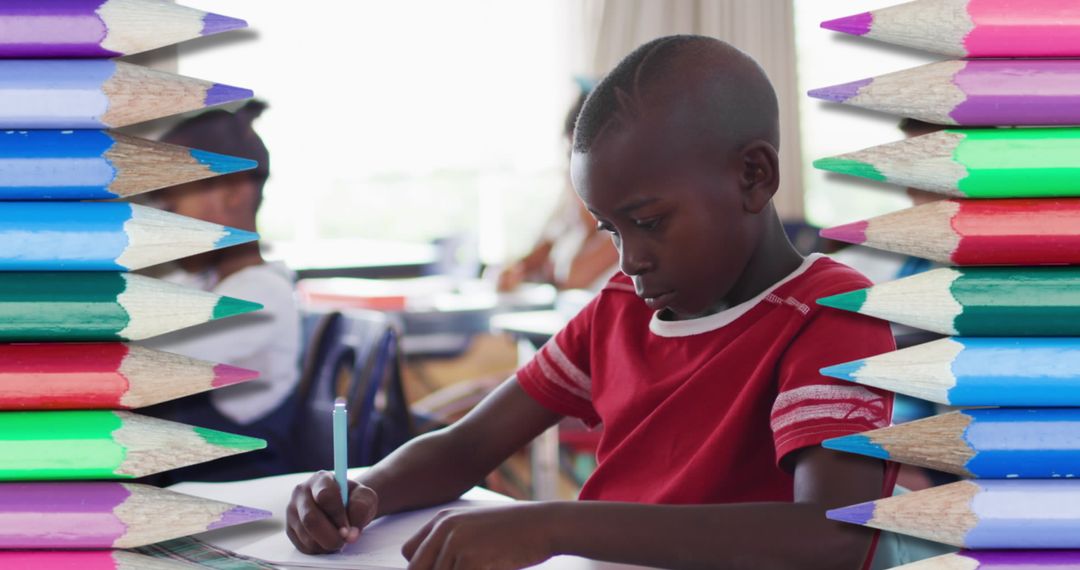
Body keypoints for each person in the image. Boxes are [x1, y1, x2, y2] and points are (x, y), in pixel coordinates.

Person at [288, 36, 896, 569]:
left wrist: (552, 525)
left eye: (650, 221)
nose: (629, 259)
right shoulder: (619, 310)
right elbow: (468, 447)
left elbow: (833, 534)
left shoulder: (829, 314)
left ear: (754, 176)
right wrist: (366, 490)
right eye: (610, 229)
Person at [141, 101, 302, 480]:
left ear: (233, 191)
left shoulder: (260, 295)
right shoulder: (196, 284)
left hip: (235, 489)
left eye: (172, 196)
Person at [496, 92, 619, 293]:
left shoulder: (621, 219)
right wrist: (514, 271)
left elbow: (575, 277)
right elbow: (532, 260)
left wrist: (587, 217)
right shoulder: (568, 211)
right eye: (569, 153)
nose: (572, 167)